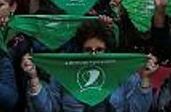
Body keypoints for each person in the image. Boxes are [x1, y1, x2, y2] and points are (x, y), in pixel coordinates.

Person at [21, 20, 154, 112]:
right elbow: (48, 109)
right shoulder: (66, 73)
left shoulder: (123, 73)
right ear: (80, 50)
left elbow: (137, 109)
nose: (93, 54)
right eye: (88, 49)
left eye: (99, 50)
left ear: (107, 50)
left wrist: (145, 79)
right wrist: (33, 78)